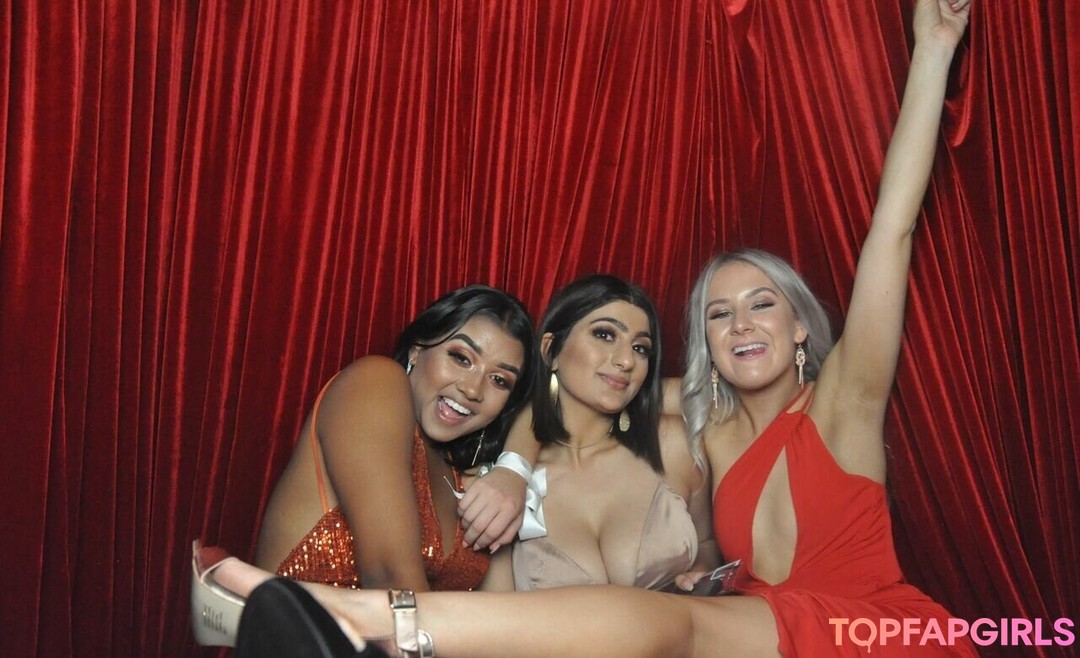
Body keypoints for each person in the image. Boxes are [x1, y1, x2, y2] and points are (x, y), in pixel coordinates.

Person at [195, 0, 976, 655]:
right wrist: (512, 466)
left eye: (762, 303)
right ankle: (351, 620)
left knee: (663, 623)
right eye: (717, 312)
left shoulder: (843, 404)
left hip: (870, 630)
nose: (739, 322)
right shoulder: (705, 426)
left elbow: (892, 231)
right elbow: (569, 395)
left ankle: (360, 619)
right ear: (705, 342)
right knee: (660, 620)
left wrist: (934, 49)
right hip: (763, 635)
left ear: (803, 327)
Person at [251, 285, 538, 593]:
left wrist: (514, 471)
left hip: (414, 625)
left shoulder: (463, 474)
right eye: (461, 358)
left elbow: (497, 606)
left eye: (499, 380)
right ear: (417, 348)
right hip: (301, 623)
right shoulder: (375, 382)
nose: (472, 389)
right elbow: (389, 576)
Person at [479, 275, 715, 592]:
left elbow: (708, 542)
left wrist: (702, 571)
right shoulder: (506, 485)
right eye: (605, 334)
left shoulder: (672, 444)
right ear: (550, 350)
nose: (626, 360)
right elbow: (498, 610)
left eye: (640, 348)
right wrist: (513, 467)